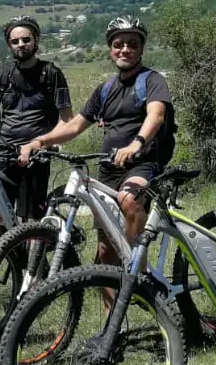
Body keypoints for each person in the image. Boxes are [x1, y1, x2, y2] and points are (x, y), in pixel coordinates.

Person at [17, 16, 175, 256]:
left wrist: (137, 143)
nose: (125, 49)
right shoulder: (106, 89)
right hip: (109, 168)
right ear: (111, 49)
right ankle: (117, 278)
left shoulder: (152, 80)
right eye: (119, 44)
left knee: (130, 199)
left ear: (141, 48)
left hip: (144, 163)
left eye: (133, 44)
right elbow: (76, 125)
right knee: (104, 250)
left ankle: (136, 272)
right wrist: (40, 141)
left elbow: (157, 115)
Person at [0, 15, 73, 224]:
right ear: (9, 44)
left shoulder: (51, 74)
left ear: (36, 40)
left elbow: (67, 120)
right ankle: (7, 255)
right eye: (15, 41)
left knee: (31, 220)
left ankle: (35, 255)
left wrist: (43, 144)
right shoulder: (4, 72)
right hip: (4, 152)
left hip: (36, 156)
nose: (21, 45)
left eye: (26, 39)